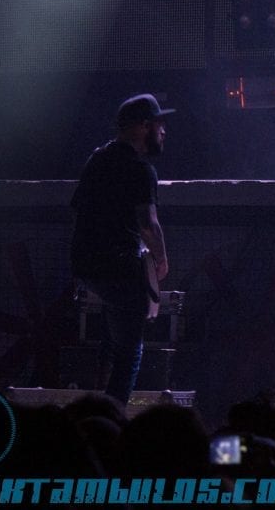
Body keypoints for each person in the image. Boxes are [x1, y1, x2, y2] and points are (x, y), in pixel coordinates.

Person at [70, 93, 173, 405]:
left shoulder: (97, 159)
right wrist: (161, 260)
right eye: (158, 124)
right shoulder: (141, 170)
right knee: (130, 352)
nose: (163, 131)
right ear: (142, 127)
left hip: (86, 265)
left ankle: (99, 405)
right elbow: (148, 225)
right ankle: (112, 413)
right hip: (120, 268)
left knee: (112, 339)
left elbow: (78, 208)